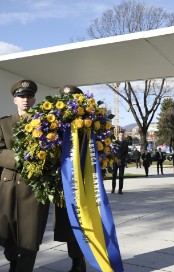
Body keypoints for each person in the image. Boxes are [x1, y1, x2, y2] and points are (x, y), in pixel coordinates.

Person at [0, 79, 50, 271]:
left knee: (31, 234)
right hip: (9, 185)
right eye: (21, 96)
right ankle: (13, 261)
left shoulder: (46, 124)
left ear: (34, 99)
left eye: (29, 96)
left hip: (35, 187)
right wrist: (20, 158)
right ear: (14, 100)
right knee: (7, 232)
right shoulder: (4, 123)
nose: (25, 100)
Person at [56, 85, 86, 272]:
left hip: (82, 181)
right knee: (67, 224)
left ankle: (79, 261)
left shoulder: (88, 121)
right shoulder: (55, 122)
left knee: (82, 221)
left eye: (73, 99)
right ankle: (75, 259)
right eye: (66, 100)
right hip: (61, 181)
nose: (69, 103)